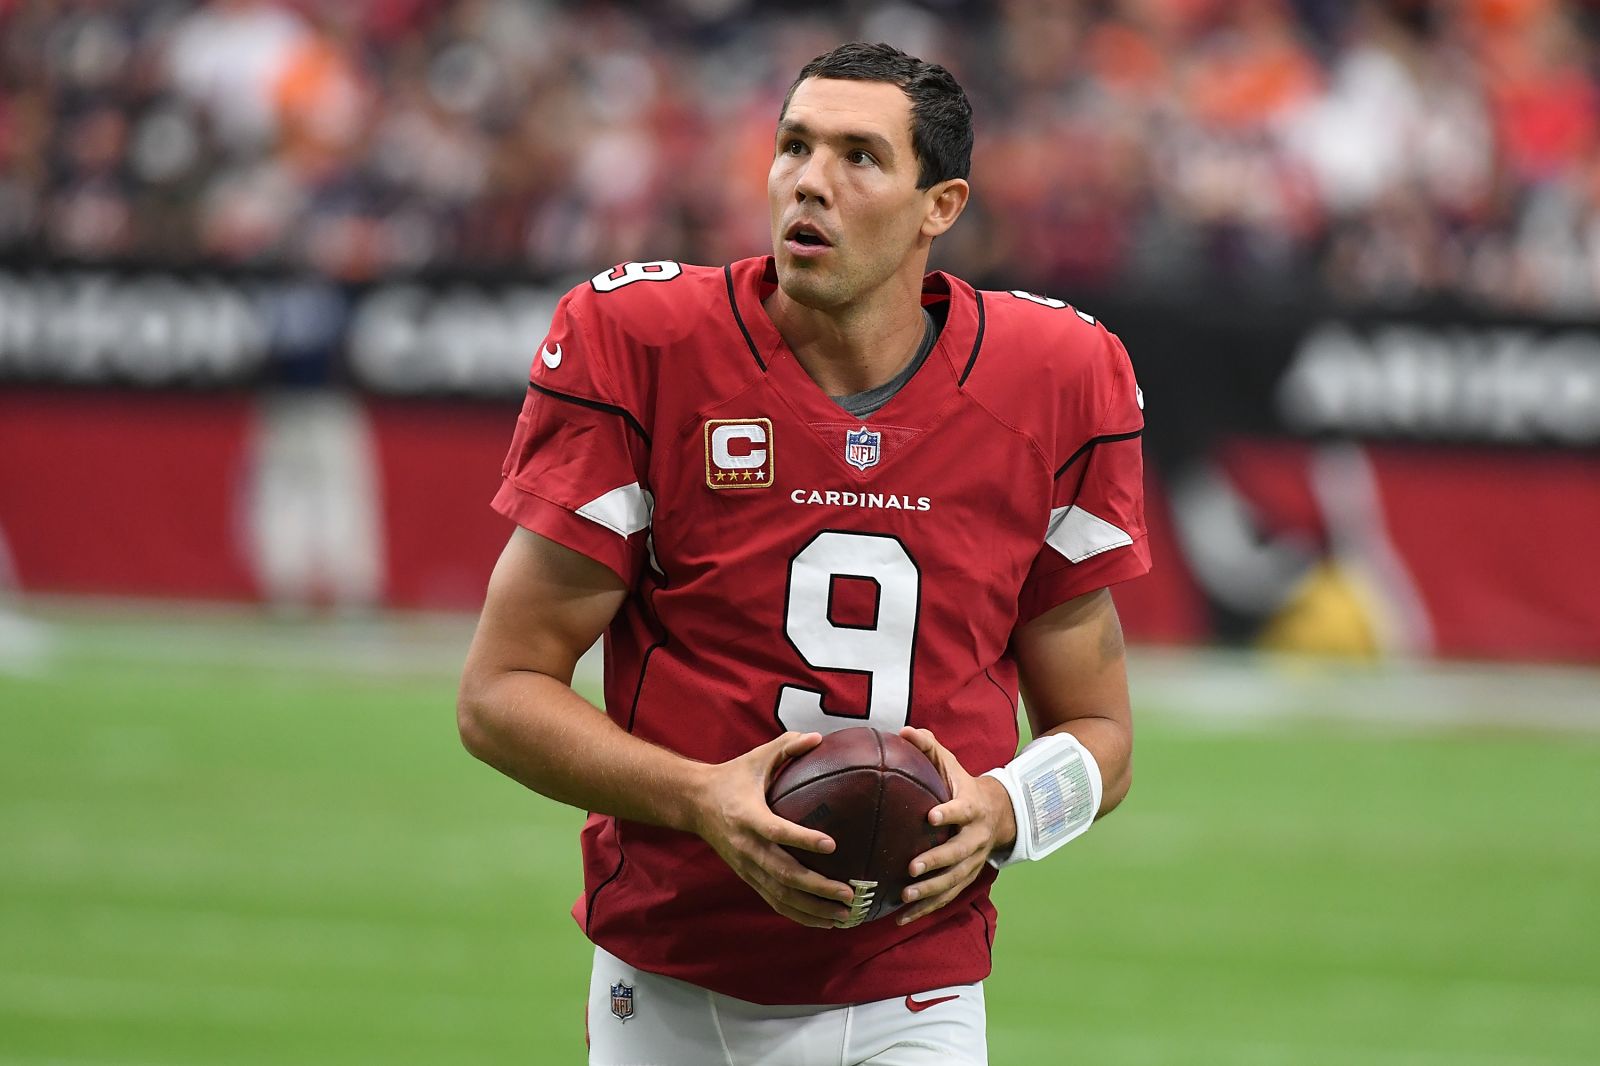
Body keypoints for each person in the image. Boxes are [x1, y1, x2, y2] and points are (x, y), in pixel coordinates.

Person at [457, 41, 1149, 1066]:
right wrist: (700, 797)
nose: (809, 181)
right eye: (793, 146)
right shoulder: (644, 343)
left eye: (860, 156)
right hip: (668, 976)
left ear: (940, 206)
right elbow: (499, 693)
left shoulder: (1055, 377)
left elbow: (1099, 730)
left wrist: (1004, 808)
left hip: (914, 988)